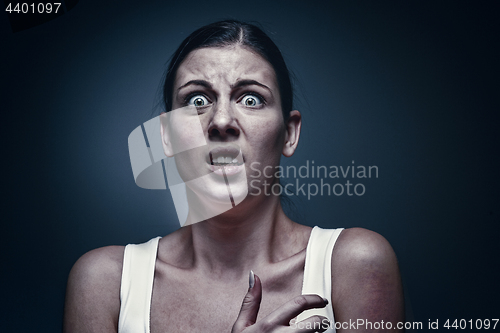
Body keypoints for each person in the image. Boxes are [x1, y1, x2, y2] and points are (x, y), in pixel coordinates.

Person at [63, 20, 404, 333]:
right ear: (166, 136)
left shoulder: (355, 264)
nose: (221, 120)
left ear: (289, 134)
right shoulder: (105, 281)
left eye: (251, 98)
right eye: (197, 99)